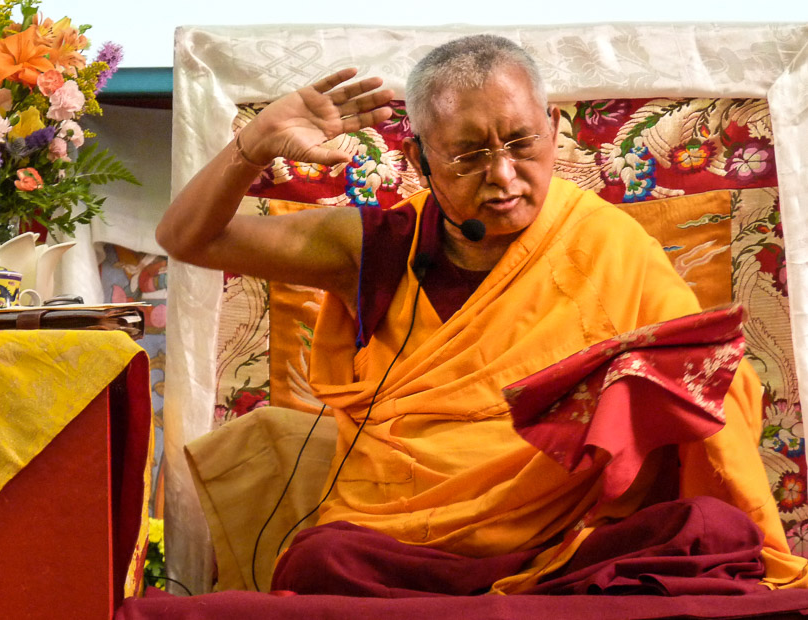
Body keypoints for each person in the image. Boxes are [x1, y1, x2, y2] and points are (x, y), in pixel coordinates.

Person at [157, 35, 808, 596]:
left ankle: (525, 589)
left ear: (553, 129)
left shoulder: (612, 246)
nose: (503, 175)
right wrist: (254, 144)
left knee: (713, 530)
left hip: (572, 535)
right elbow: (189, 239)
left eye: (521, 143)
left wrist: (640, 390)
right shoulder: (379, 245)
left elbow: (710, 386)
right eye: (468, 156)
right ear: (420, 160)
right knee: (321, 560)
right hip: (412, 544)